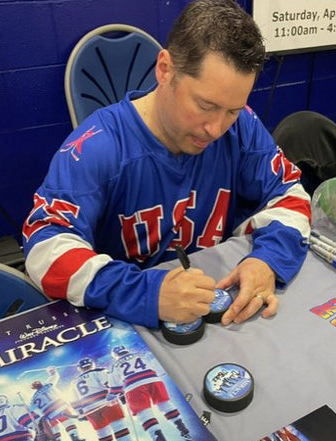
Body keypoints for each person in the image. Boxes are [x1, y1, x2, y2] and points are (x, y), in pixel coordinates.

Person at [22, 0, 311, 330]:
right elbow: (45, 251)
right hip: (129, 326)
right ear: (164, 69)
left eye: (231, 110)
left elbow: (291, 196)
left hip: (216, 312)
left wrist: (267, 260)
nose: (216, 129)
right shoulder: (95, 147)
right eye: (205, 105)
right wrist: (146, 292)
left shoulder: (242, 125)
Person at [107, 345, 191, 441]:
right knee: (165, 404)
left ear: (115, 356)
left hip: (133, 386)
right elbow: (157, 368)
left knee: (144, 414)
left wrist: (114, 397)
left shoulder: (115, 365)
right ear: (126, 350)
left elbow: (115, 388)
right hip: (154, 380)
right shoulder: (140, 355)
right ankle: (182, 428)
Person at [70, 357, 146, 441]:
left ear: (80, 369)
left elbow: (74, 401)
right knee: (118, 426)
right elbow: (110, 385)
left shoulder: (74, 382)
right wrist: (122, 396)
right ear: (92, 364)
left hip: (88, 408)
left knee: (101, 431)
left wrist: (81, 413)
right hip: (105, 402)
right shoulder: (100, 371)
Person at [29, 366, 86, 441]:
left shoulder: (33, 398)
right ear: (40, 383)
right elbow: (55, 376)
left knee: (55, 428)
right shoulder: (48, 384)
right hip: (60, 407)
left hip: (48, 414)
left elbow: (33, 410)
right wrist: (52, 371)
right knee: (68, 422)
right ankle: (75, 438)